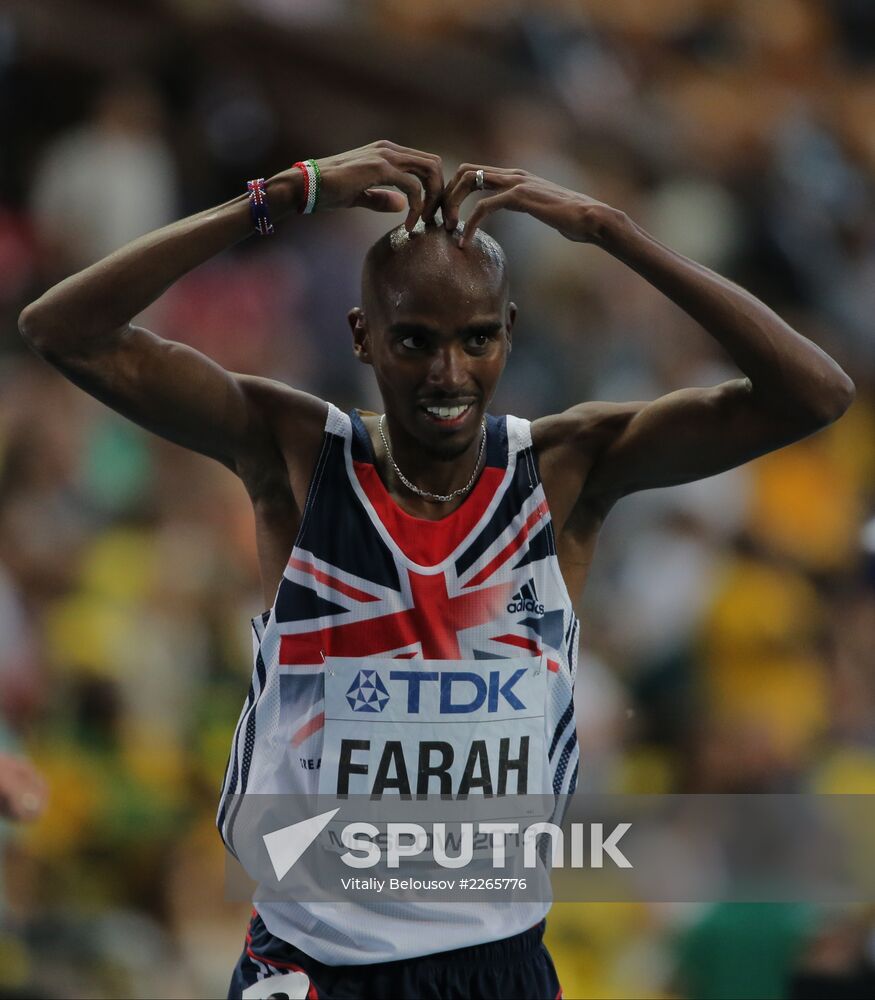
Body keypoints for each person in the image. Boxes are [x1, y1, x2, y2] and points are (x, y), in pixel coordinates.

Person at [19, 140, 854, 999]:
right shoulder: (298, 455)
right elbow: (62, 330)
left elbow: (814, 394)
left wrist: (613, 233)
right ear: (361, 337)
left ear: (508, 334)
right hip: (312, 964)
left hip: (495, 965)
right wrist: (276, 199)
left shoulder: (564, 469)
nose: (448, 374)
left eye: (476, 339)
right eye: (413, 341)